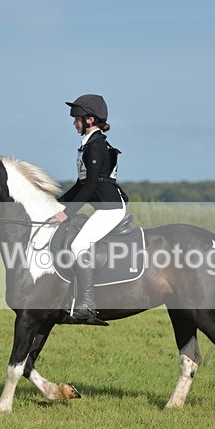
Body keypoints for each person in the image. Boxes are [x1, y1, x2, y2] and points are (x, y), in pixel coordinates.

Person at [52, 94, 127, 325]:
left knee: (78, 245)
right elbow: (80, 185)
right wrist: (55, 204)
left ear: (90, 120)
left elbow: (91, 186)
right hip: (102, 207)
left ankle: (86, 304)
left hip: (111, 209)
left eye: (77, 119)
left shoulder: (95, 146)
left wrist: (67, 213)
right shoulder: (87, 144)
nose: (74, 123)